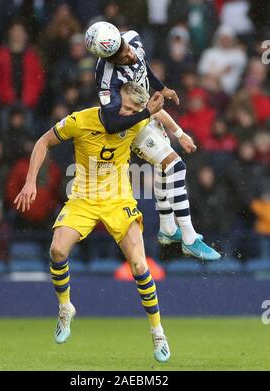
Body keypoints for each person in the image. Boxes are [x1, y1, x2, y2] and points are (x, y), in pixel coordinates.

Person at [13, 82, 170, 363]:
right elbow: (43, 141)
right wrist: (30, 181)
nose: (129, 113)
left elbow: (157, 115)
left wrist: (180, 134)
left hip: (118, 199)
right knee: (57, 251)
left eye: (135, 110)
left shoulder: (137, 121)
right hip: (83, 198)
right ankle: (65, 308)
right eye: (126, 107)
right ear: (112, 102)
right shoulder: (80, 120)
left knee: (139, 265)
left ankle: (157, 332)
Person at [85, 21, 220, 260]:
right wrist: (146, 112)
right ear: (108, 59)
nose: (129, 54)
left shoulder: (134, 38)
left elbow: (143, 66)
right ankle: (189, 238)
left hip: (148, 113)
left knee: (163, 168)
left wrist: (162, 87)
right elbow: (112, 122)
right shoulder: (106, 80)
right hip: (132, 124)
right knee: (176, 165)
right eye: (121, 56)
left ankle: (168, 229)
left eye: (125, 47)